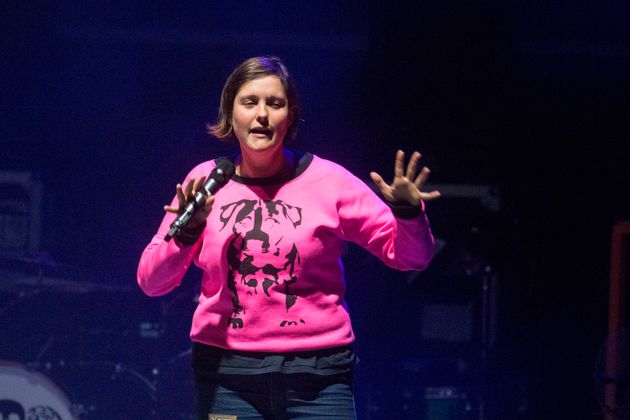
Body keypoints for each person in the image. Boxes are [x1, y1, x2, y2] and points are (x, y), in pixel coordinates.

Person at [137, 55, 440, 420]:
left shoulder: (329, 182)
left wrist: (407, 214)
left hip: (319, 379)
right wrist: (187, 231)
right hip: (227, 378)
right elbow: (151, 281)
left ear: (290, 116)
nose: (262, 114)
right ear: (230, 114)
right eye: (249, 102)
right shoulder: (206, 182)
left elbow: (412, 256)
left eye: (274, 103)